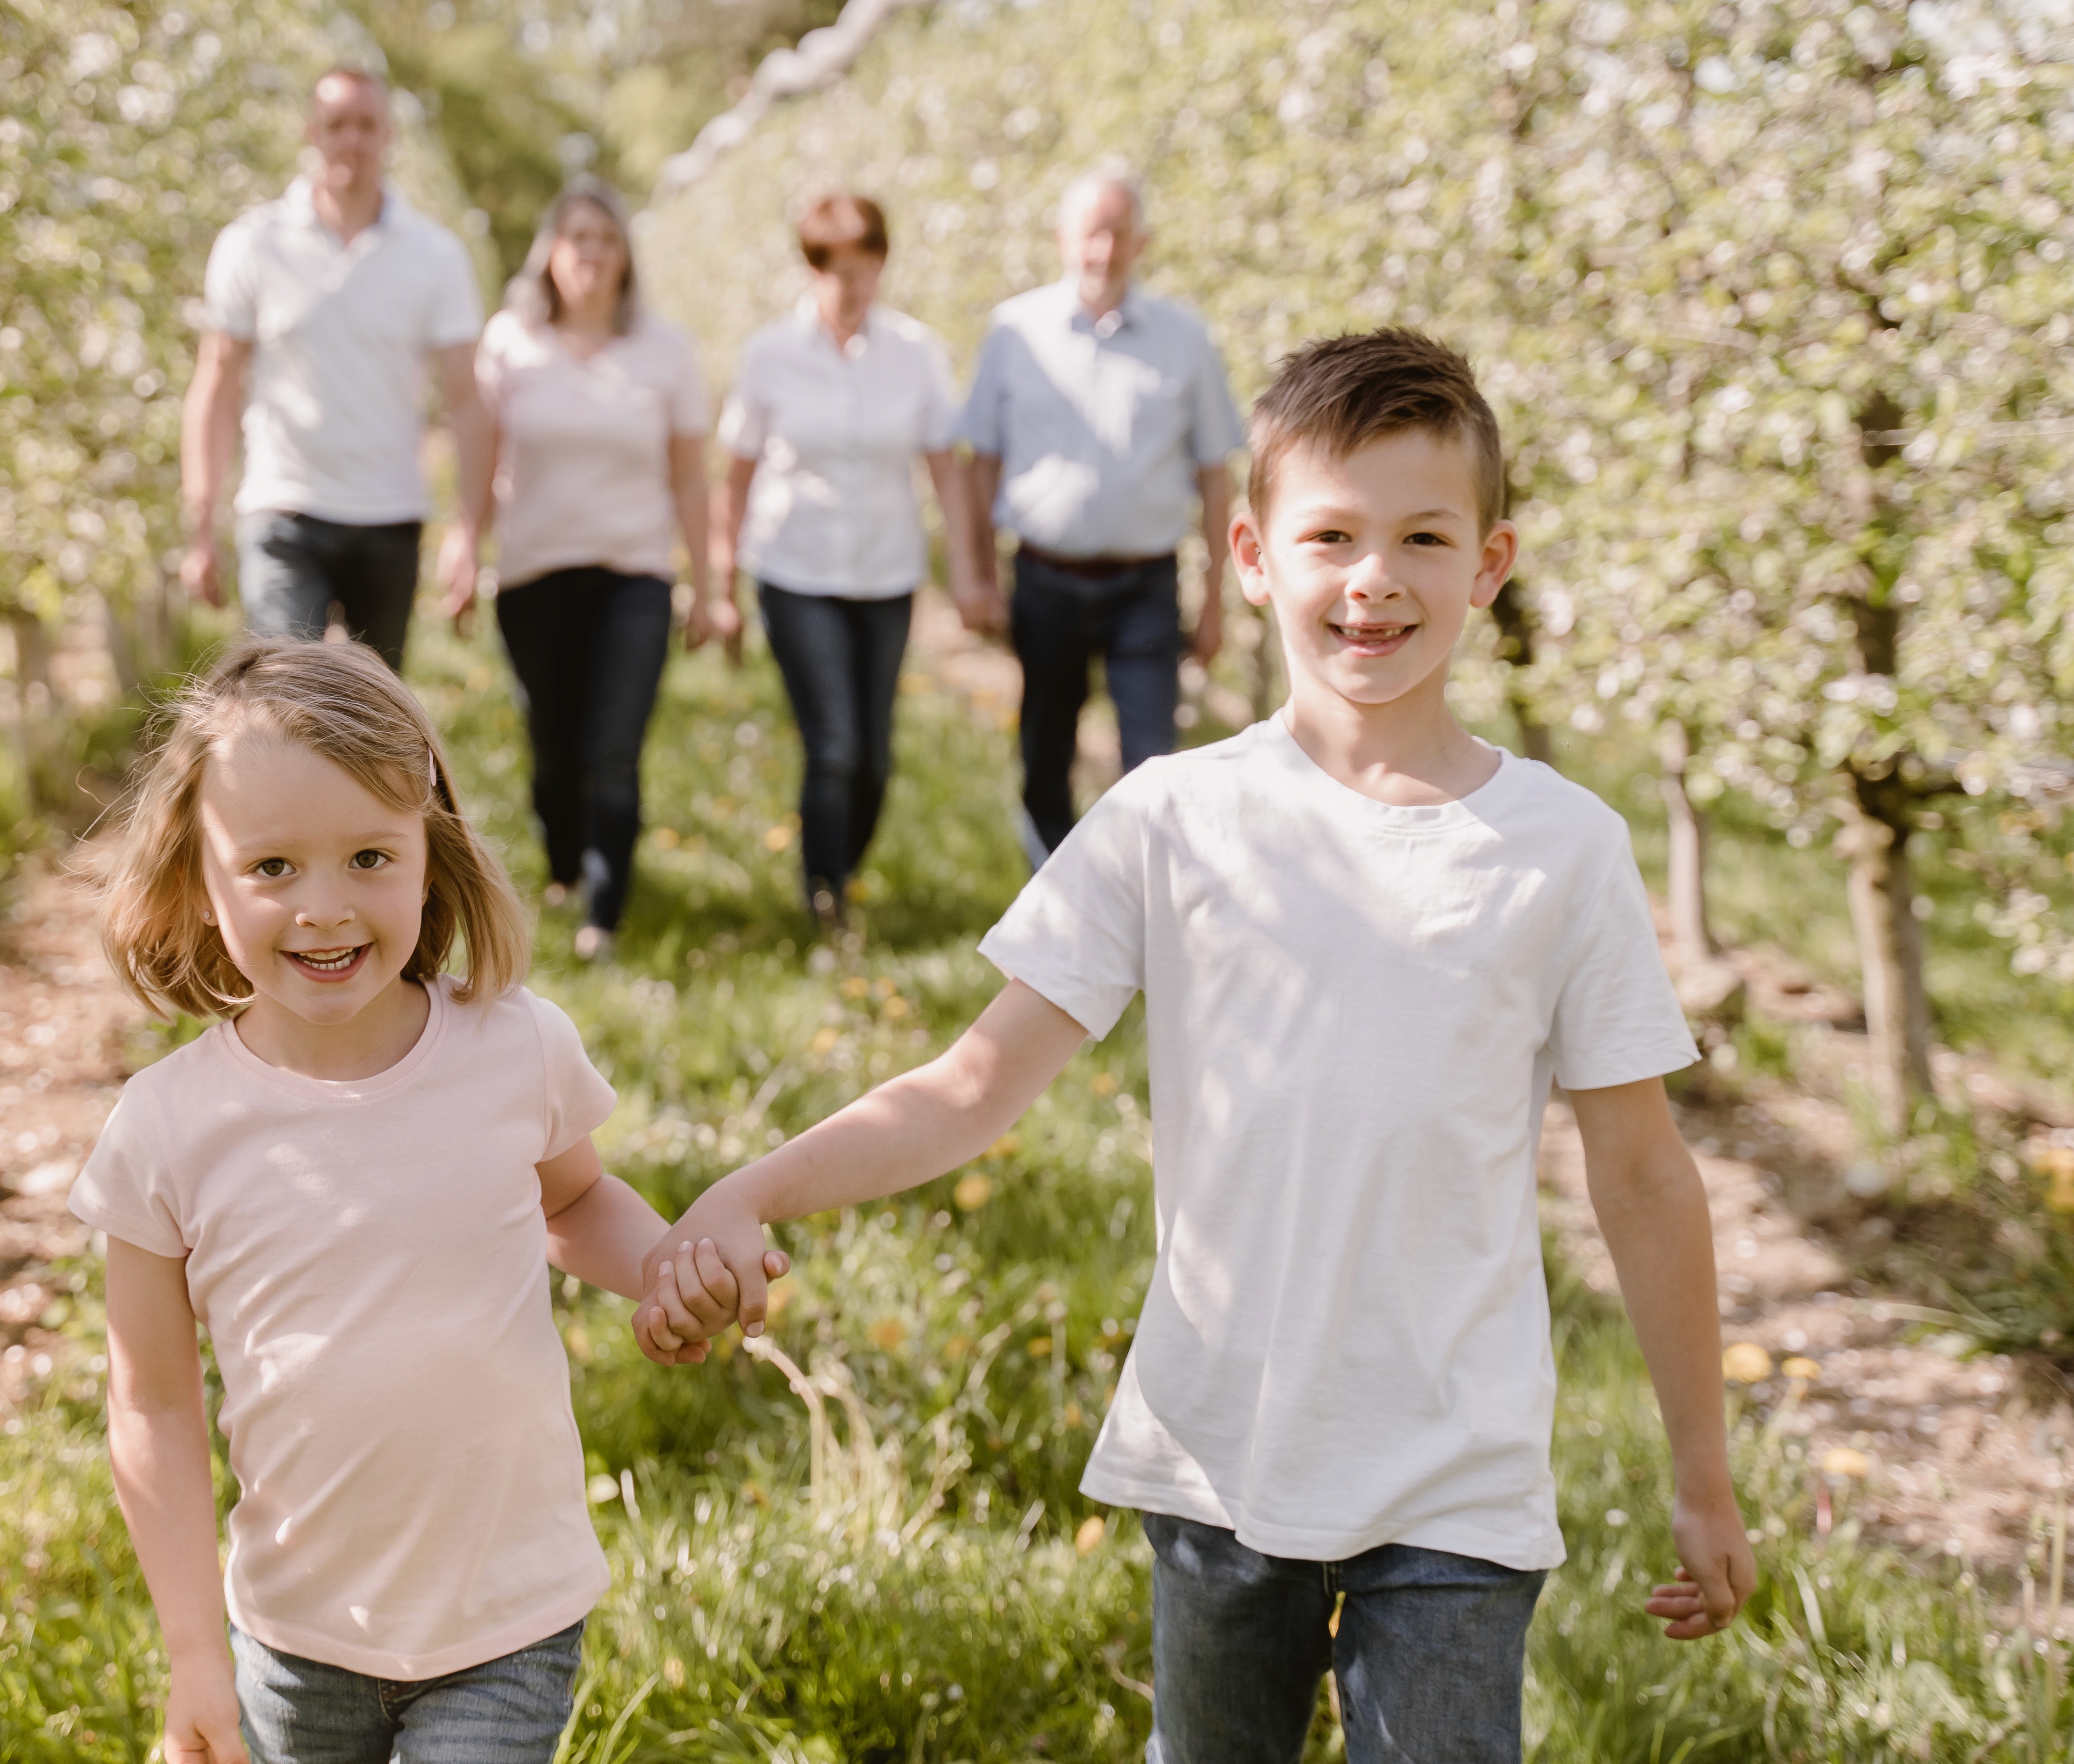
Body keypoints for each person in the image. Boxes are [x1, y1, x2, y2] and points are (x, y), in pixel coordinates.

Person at [647, 332, 1757, 1764]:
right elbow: (971, 1085)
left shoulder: (1560, 849)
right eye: (1330, 536)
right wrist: (753, 1190)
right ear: (1248, 556)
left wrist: (1701, 1473)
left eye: (1422, 538)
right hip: (1219, 1455)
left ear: (1487, 565)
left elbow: (1642, 1176)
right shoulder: (1170, 819)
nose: (1373, 577)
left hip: (1454, 1474)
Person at [73, 637, 772, 1764]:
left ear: (429, 855)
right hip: (294, 1639)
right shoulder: (166, 1128)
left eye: (368, 857)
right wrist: (196, 1653)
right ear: (198, 884)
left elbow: (574, 1202)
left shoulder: (511, 1048)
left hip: (506, 1615)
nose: (325, 908)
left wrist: (666, 1269)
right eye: (272, 867)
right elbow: (150, 1401)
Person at [706, 193, 994, 932]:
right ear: (812, 269)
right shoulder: (770, 355)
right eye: (838, 271)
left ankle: (841, 868)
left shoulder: (915, 353)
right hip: (795, 571)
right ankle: (824, 898)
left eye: (866, 269)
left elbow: (945, 469)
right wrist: (721, 586)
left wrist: (967, 572)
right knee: (833, 744)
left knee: (873, 759)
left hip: (885, 574)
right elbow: (734, 481)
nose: (854, 286)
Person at [448, 179, 711, 963]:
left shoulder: (664, 350)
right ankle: (564, 865)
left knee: (613, 748)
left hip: (635, 575)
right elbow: (479, 455)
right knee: (554, 744)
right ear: (550, 255)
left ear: (625, 256)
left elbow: (690, 479)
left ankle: (605, 909)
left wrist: (710, 583)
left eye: (605, 238)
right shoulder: (510, 343)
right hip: (532, 575)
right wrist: (464, 544)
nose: (591, 253)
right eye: (577, 238)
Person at [958, 167, 1245, 857]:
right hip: (1044, 581)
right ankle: (1052, 899)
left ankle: (1137, 903)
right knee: (1045, 755)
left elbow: (1215, 476)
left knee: (1153, 768)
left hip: (1145, 589)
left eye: (1118, 234)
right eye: (1091, 233)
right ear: (1062, 238)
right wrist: (979, 576)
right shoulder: (1014, 331)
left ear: (1142, 242)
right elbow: (981, 463)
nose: (1103, 251)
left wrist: (1214, 602)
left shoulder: (1184, 338)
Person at [179, 68, 490, 672]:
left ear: (388, 135)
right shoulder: (253, 244)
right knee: (283, 694)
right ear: (312, 132)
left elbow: (467, 399)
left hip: (389, 516)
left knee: (373, 711)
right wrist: (201, 525)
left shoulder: (435, 256)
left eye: (366, 125)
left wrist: (468, 531)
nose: (352, 139)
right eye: (337, 124)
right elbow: (216, 385)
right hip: (283, 512)